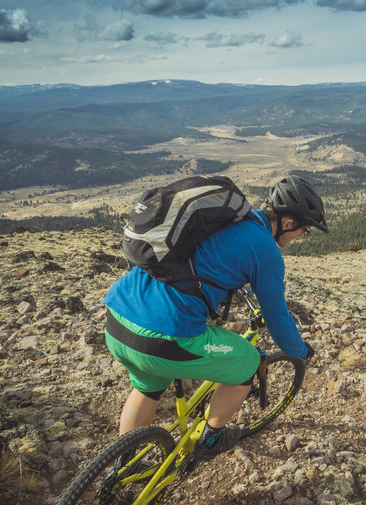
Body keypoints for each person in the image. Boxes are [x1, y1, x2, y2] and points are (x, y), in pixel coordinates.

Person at [103, 175, 328, 461]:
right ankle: (211, 439)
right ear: (288, 223)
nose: (300, 238)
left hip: (117, 320)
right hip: (163, 338)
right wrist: (300, 351)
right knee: (247, 363)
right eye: (304, 231)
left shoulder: (223, 219)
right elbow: (278, 317)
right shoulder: (267, 251)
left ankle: (122, 467)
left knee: (148, 386)